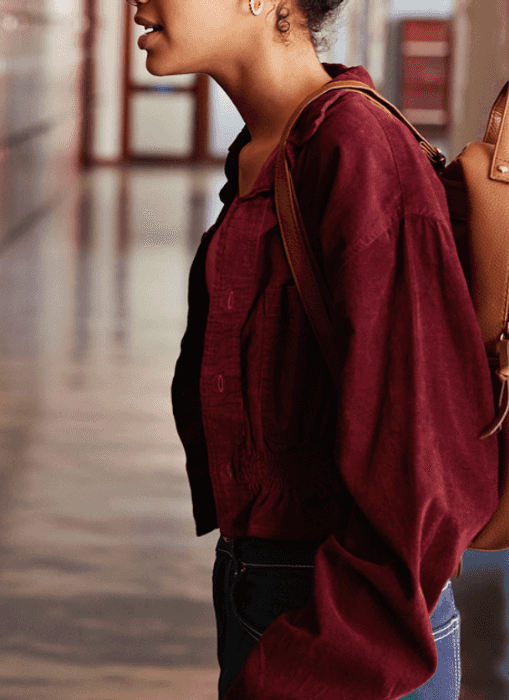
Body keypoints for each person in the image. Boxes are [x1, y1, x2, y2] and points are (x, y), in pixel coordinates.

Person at [132, 0, 500, 697]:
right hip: (261, 591)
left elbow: (421, 464)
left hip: (350, 636)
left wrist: (314, 663)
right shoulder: (266, 148)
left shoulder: (355, 149)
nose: (139, 4)